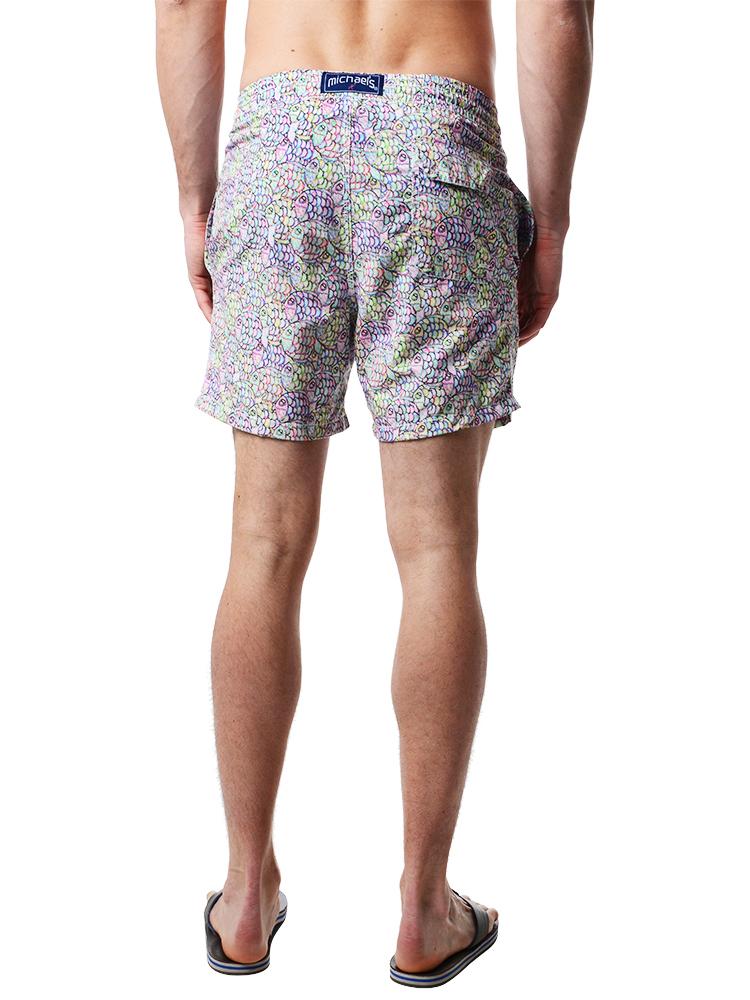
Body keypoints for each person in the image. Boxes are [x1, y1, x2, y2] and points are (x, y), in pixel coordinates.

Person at [156, 0, 593, 986]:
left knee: (261, 544)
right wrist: (554, 218)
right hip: (435, 141)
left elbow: (184, 4)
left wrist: (196, 198)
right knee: (437, 550)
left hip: (280, 148)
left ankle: (243, 895)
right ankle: (424, 908)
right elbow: (557, 11)